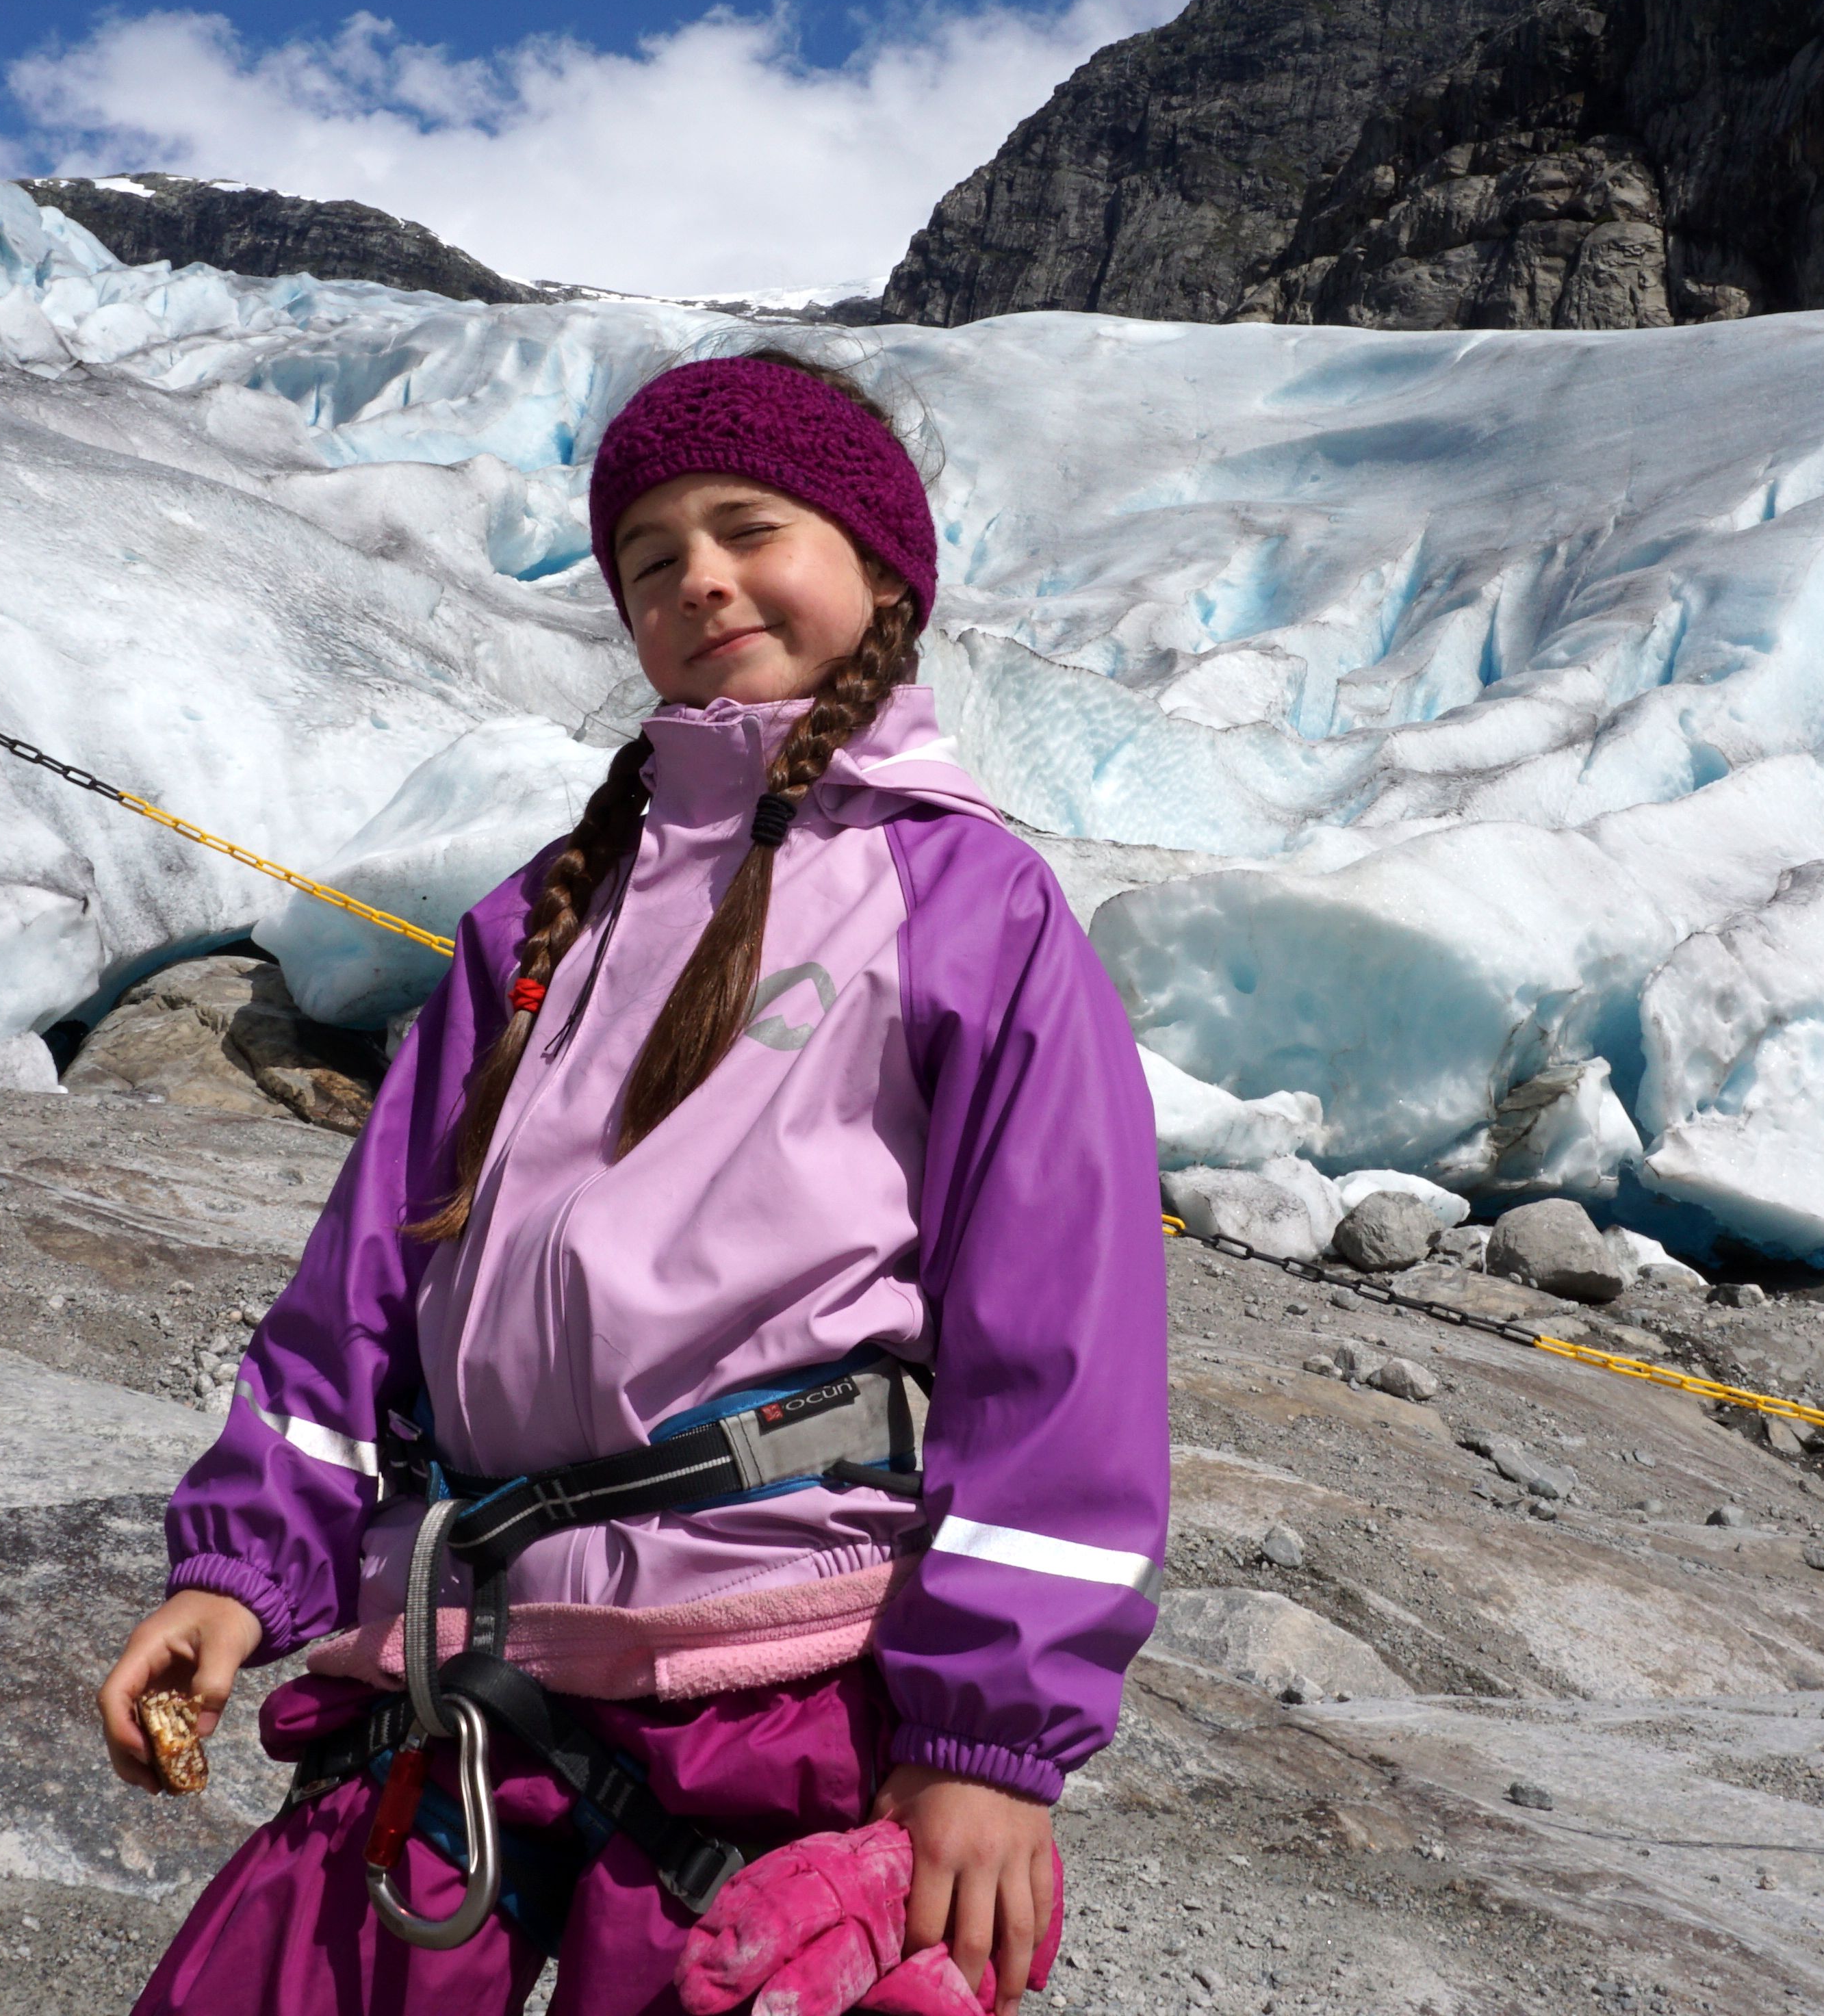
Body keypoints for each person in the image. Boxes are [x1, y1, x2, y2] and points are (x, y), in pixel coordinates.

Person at [99, 349, 1170, 2016]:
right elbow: (363, 1281)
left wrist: (990, 1742)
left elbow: (1062, 1358)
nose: (700, 578)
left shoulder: (975, 905)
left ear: (882, 568)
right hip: (459, 1648)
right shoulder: (541, 915)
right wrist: (239, 1562)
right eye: (651, 557)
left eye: (751, 526)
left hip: (771, 1668)